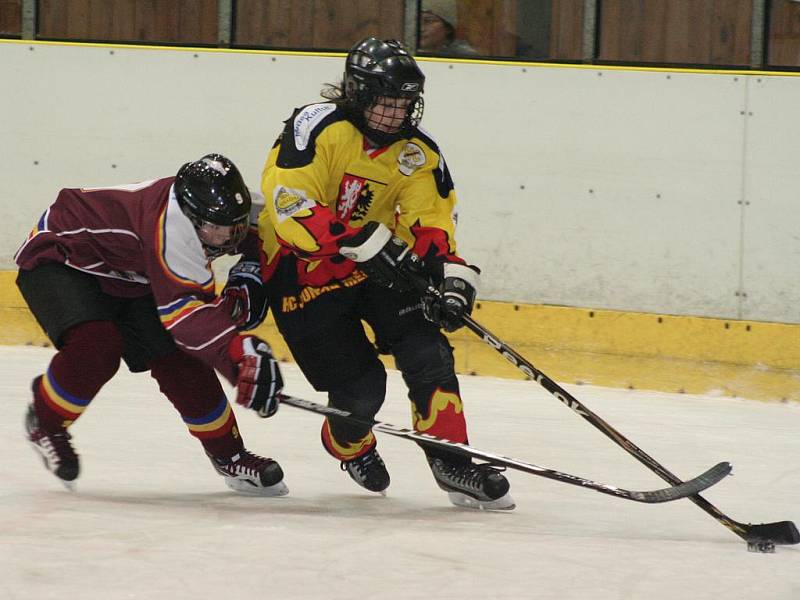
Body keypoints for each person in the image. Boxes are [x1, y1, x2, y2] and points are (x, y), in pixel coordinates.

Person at [249, 37, 513, 510]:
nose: (396, 115)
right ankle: (350, 443)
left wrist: (448, 277)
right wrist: (358, 241)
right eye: (385, 103)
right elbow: (288, 202)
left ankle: (452, 460)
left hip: (375, 265)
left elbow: (430, 223)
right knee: (362, 391)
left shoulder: (418, 154)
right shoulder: (316, 126)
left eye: (405, 104)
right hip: (300, 270)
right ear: (356, 92)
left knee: (427, 349)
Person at [15, 153, 287, 496]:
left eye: (229, 227)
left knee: (182, 361)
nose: (222, 237)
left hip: (134, 274)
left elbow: (270, 240)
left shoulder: (227, 212)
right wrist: (239, 359)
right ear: (189, 213)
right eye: (211, 229)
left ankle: (230, 456)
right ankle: (46, 422)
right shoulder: (172, 228)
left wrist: (250, 272)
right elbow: (188, 317)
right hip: (65, 259)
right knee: (97, 347)